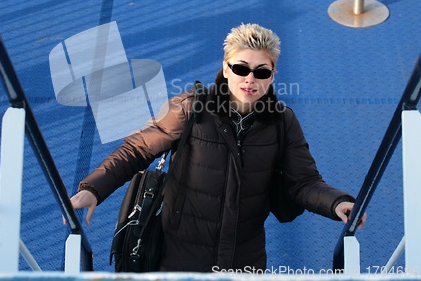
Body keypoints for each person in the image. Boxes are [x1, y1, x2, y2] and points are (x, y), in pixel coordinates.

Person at [68, 23, 366, 272]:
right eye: (240, 68)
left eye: (261, 72)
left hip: (244, 259)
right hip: (179, 255)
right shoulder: (190, 107)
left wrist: (336, 202)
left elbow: (303, 181)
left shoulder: (282, 122)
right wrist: (93, 189)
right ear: (225, 68)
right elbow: (137, 149)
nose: (250, 78)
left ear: (273, 75)